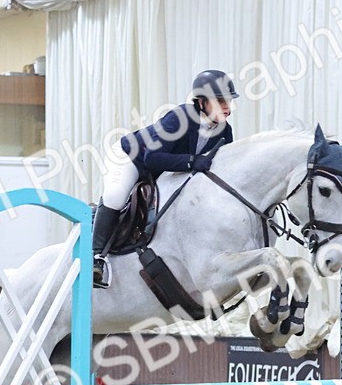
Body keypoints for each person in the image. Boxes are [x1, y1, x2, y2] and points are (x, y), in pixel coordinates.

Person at [92, 69, 239, 288]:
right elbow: (152, 158)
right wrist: (191, 161)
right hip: (131, 159)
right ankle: (96, 258)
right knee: (115, 196)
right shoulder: (180, 118)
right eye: (219, 101)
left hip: (164, 169)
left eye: (228, 101)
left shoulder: (224, 132)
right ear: (201, 102)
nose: (227, 107)